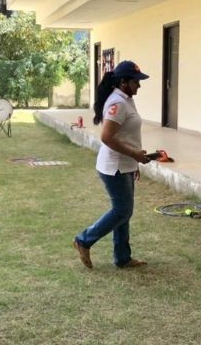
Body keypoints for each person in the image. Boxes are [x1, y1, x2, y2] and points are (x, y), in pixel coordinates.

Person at [72, 60, 151, 269]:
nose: (139, 85)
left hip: (125, 164)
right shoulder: (118, 103)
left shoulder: (127, 100)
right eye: (136, 81)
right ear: (124, 82)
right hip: (114, 166)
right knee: (122, 210)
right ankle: (84, 240)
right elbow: (107, 137)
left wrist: (134, 161)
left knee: (124, 211)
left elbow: (127, 134)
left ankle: (122, 257)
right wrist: (134, 154)